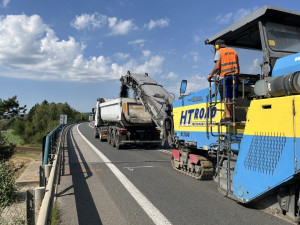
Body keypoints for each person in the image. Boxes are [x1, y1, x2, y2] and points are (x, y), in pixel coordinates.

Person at [207, 39, 239, 122]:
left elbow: (217, 66)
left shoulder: (219, 52)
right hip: (234, 76)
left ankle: (228, 117)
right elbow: (238, 66)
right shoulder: (233, 51)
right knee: (231, 98)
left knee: (225, 97)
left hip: (225, 77)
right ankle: (232, 116)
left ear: (217, 46)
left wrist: (211, 75)